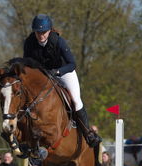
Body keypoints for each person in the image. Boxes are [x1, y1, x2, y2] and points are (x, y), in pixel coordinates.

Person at [23, 14, 101, 147]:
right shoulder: (29, 43)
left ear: (49, 30)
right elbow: (26, 64)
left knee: (76, 100)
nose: (40, 35)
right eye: (38, 32)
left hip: (63, 72)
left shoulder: (58, 41)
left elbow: (72, 64)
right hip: (43, 75)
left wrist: (57, 72)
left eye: (43, 32)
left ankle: (88, 133)